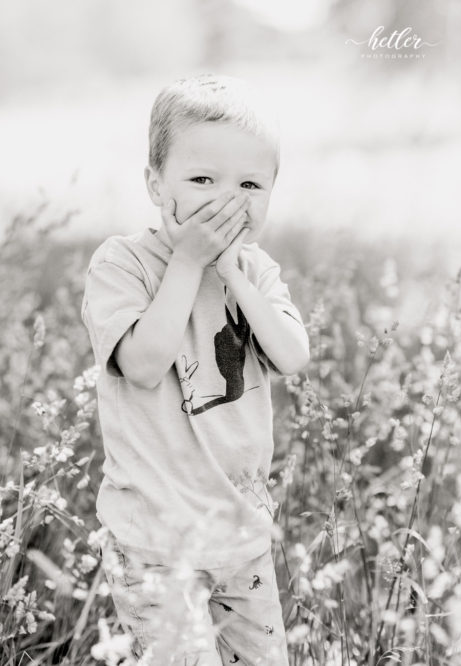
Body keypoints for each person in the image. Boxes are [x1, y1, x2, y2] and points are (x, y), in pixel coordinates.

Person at [81, 75, 309, 664]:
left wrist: (232, 274)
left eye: (250, 184)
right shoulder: (123, 264)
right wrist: (188, 262)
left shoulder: (256, 272)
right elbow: (144, 365)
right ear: (157, 184)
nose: (226, 200)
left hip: (242, 533)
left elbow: (293, 355)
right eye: (202, 179)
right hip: (154, 537)